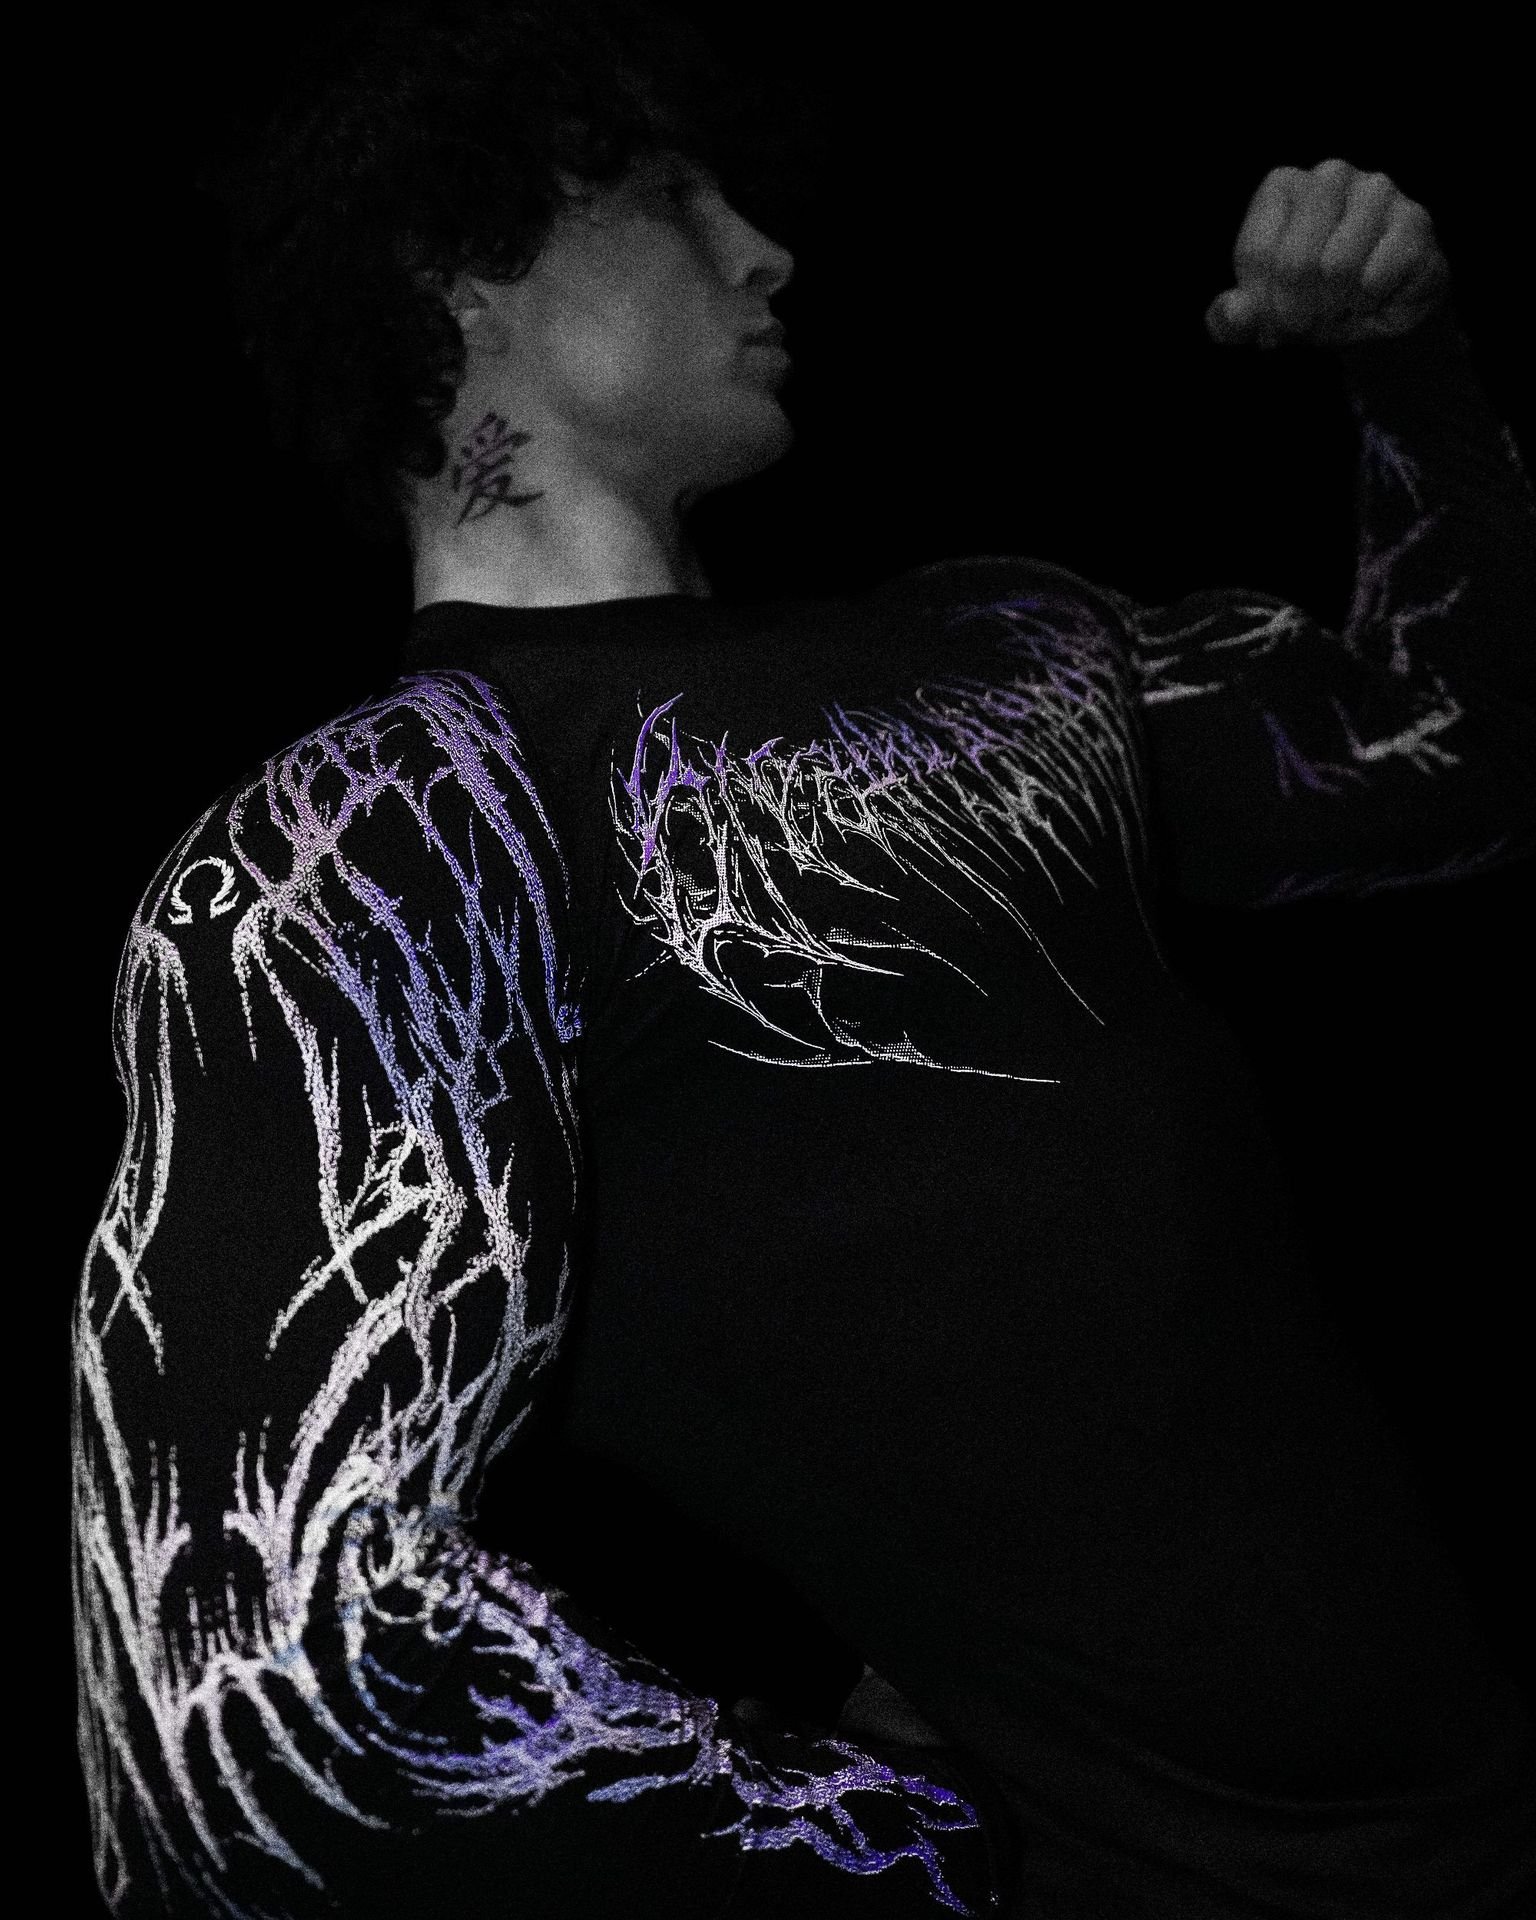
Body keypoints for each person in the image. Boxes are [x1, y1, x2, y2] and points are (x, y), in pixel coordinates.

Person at [71, 2, 1536, 1915]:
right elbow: (254, 1689)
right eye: (670, 196)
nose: (764, 250)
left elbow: (1452, 753)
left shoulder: (1007, 647)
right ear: (456, 260)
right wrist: (893, 1844)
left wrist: (1407, 361)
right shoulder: (379, 836)